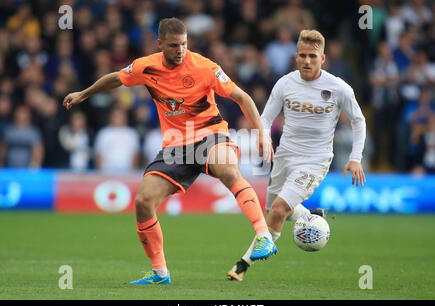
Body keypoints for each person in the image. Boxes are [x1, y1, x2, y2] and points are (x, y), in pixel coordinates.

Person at [62, 17, 276, 285]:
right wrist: (84, 93)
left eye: (184, 44)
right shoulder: (146, 67)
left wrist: (261, 134)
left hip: (211, 133)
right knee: (143, 202)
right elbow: (116, 78)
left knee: (228, 170)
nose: (180, 50)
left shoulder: (205, 67)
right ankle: (160, 273)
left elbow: (242, 97)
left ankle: (263, 236)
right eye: (174, 45)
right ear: (160, 44)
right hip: (176, 146)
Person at [227, 30, 366, 282]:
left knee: (278, 211)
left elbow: (358, 120)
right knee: (271, 210)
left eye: (312, 56)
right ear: (296, 56)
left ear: (323, 58)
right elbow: (266, 118)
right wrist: (264, 137)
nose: (307, 60)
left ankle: (243, 264)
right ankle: (311, 216)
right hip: (285, 155)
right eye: (302, 55)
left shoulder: (338, 88)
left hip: (315, 160)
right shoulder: (285, 83)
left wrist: (355, 157)